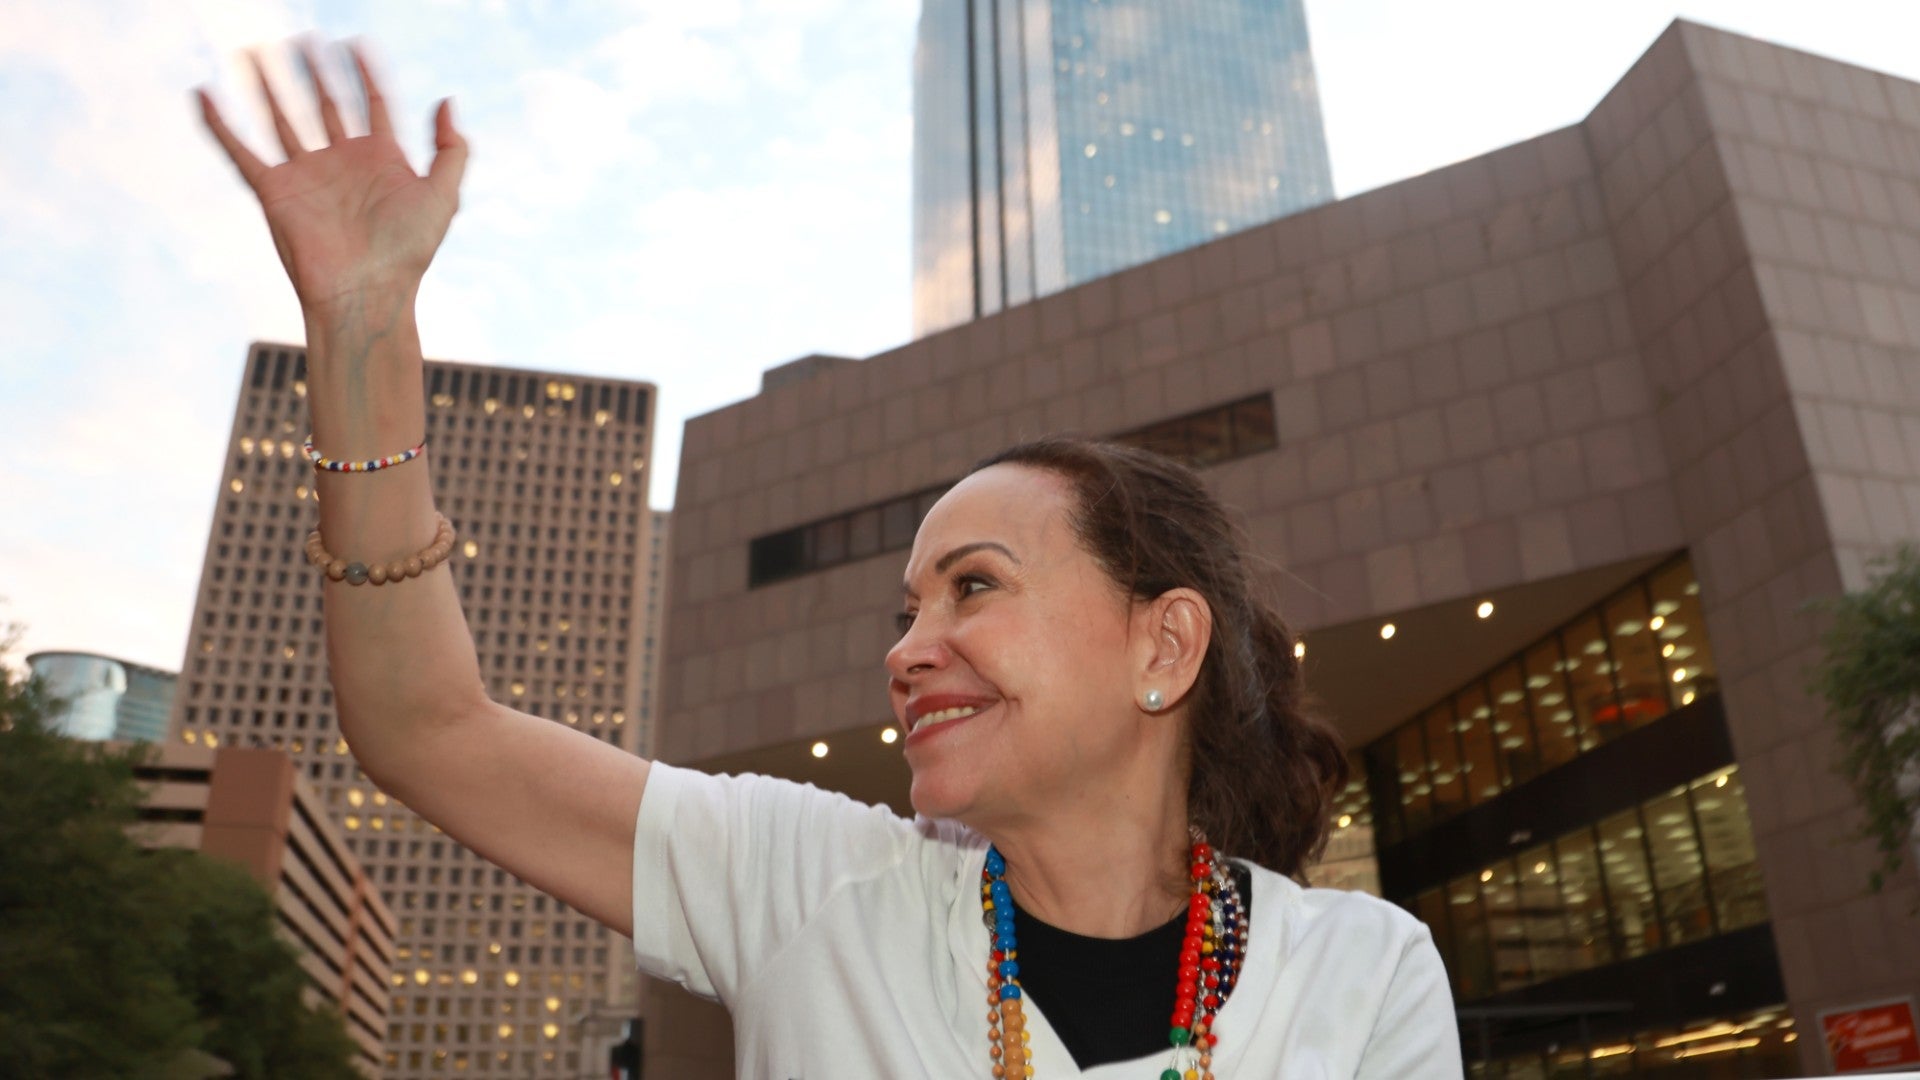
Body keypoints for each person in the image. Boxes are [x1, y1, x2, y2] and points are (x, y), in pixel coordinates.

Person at [197, 39, 1463, 1078]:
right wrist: (363, 333)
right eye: (907, 609)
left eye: (974, 586)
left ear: (1163, 643)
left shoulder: (1361, 975)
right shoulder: (811, 884)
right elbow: (428, 730)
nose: (908, 651)